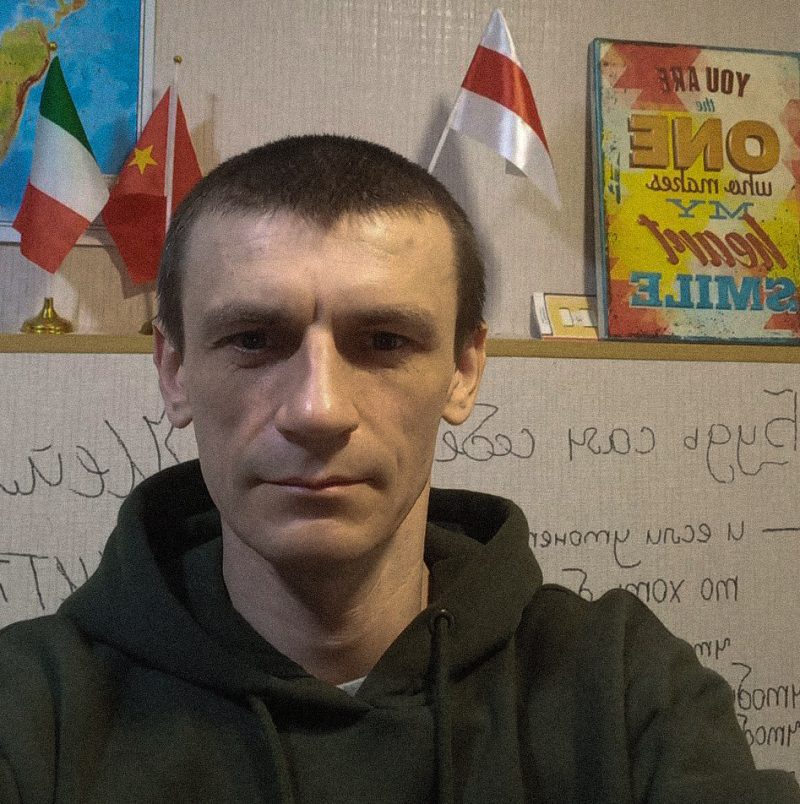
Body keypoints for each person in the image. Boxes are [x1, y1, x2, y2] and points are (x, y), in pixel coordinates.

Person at [0, 135, 797, 804]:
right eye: (252, 339)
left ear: (464, 370)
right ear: (173, 370)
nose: (318, 411)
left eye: (384, 342)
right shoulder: (32, 707)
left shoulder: (622, 687)